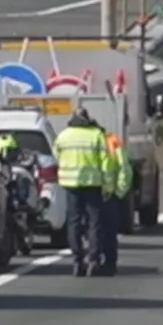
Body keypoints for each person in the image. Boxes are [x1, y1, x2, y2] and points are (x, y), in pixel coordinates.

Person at [52, 108, 108, 277]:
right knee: (94, 223)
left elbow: (57, 156)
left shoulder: (63, 136)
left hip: (71, 184)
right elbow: (105, 161)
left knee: (74, 222)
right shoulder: (96, 135)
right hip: (92, 183)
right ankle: (93, 259)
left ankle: (77, 258)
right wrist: (107, 185)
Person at [93, 132, 132, 277]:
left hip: (103, 194)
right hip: (99, 192)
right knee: (99, 230)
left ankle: (106, 262)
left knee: (104, 230)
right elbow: (124, 168)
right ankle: (99, 261)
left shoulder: (112, 141)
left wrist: (118, 191)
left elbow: (124, 168)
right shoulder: (107, 141)